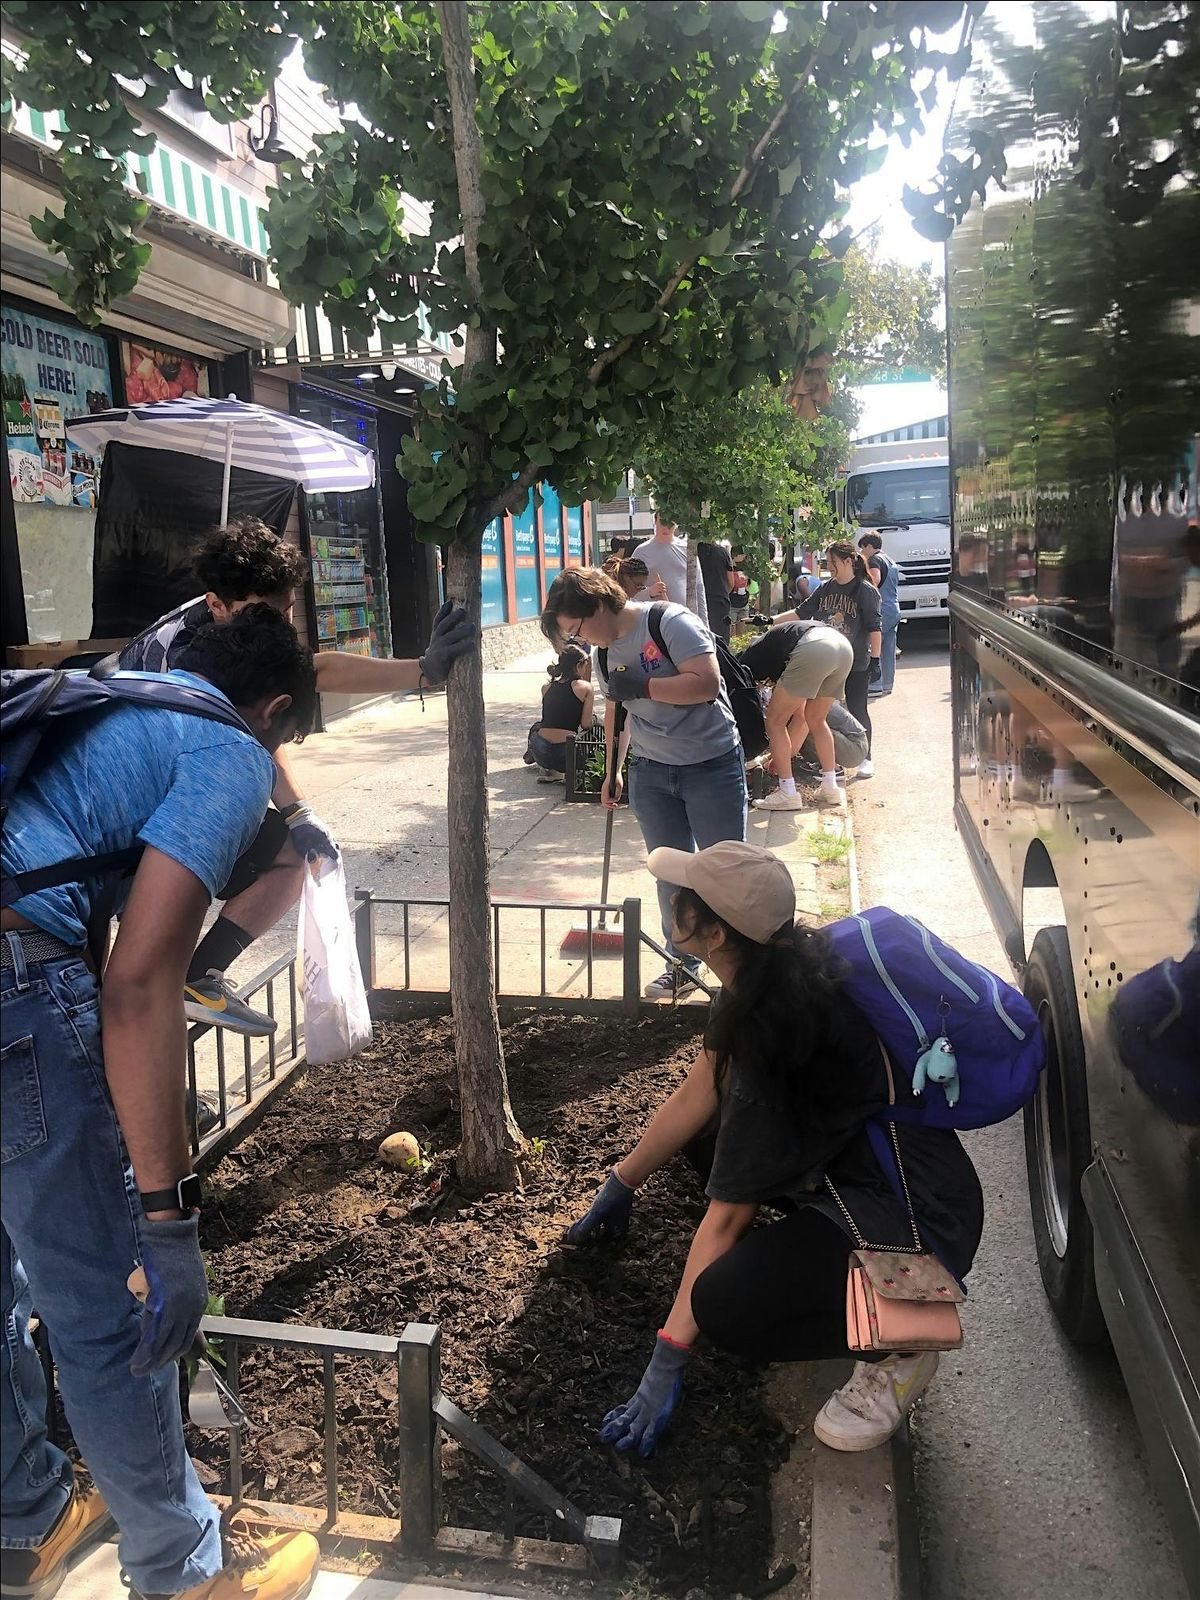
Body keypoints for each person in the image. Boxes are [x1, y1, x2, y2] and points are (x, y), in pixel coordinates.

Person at [0, 608, 322, 1600]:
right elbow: (141, 987)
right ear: (269, 711)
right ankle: (183, 1573)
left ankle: (27, 1512)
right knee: (106, 1316)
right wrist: (165, 1219)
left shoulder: (105, 700)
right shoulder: (225, 747)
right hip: (13, 995)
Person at [566, 841, 983, 1457]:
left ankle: (900, 1342)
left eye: (683, 898)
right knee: (707, 1143)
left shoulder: (776, 1039)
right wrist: (622, 1183)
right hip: (867, 1174)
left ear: (709, 932)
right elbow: (699, 1092)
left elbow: (728, 1215)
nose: (670, 902)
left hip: (913, 1220)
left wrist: (665, 1358)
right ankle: (830, 1273)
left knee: (723, 1305)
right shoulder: (770, 976)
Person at [116, 519, 475, 1035]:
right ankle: (155, 1094)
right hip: (132, 813)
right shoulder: (184, 654)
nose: (283, 624)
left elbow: (279, 706)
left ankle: (199, 977)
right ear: (217, 603)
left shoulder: (231, 631)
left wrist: (422, 669)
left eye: (287, 609)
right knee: (140, 976)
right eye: (269, 611)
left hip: (176, 792)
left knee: (288, 854)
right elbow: (276, 709)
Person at [541, 567, 746, 1001]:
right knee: (670, 874)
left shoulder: (669, 622)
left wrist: (647, 686)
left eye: (578, 627)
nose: (584, 641)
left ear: (597, 604)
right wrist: (614, 767)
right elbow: (618, 706)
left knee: (725, 873)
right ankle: (681, 964)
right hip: (652, 771)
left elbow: (706, 685)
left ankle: (740, 971)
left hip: (711, 764)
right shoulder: (601, 653)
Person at [774, 542, 882, 779]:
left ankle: (866, 757)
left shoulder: (865, 590)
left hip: (856, 663)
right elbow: (801, 612)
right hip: (827, 663)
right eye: (827, 562)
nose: (829, 566)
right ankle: (835, 765)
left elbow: (875, 628)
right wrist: (771, 622)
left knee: (857, 709)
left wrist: (875, 660)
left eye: (832, 562)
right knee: (824, 715)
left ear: (848, 561)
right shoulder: (826, 588)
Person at [740, 620, 854, 810]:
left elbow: (749, 693)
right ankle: (830, 786)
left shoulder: (749, 660)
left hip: (814, 649)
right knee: (816, 721)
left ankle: (787, 792)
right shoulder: (778, 644)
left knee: (775, 722)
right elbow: (800, 716)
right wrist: (780, 757)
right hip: (842, 647)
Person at [526, 643, 594, 782]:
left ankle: (548, 770)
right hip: (567, 754)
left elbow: (552, 717)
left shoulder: (546, 687)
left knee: (537, 727)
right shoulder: (585, 687)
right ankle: (572, 773)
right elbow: (586, 724)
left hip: (541, 752)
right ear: (578, 666)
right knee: (596, 726)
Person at [632, 513, 709, 626]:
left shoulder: (687, 549)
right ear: (655, 520)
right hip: (653, 622)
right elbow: (628, 589)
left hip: (686, 620)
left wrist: (704, 625)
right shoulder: (641, 552)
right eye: (663, 521)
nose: (666, 527)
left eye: (671, 523)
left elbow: (699, 587)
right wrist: (649, 592)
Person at [858, 532, 901, 696]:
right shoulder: (889, 559)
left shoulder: (874, 560)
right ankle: (887, 684)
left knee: (873, 647)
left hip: (881, 608)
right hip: (893, 607)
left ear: (869, 546)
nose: (862, 553)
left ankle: (874, 685)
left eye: (863, 548)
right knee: (888, 648)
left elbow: (874, 580)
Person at [696, 540, 737, 643]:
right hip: (720, 600)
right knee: (721, 640)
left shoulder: (693, 552)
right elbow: (731, 582)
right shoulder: (723, 552)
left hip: (699, 600)